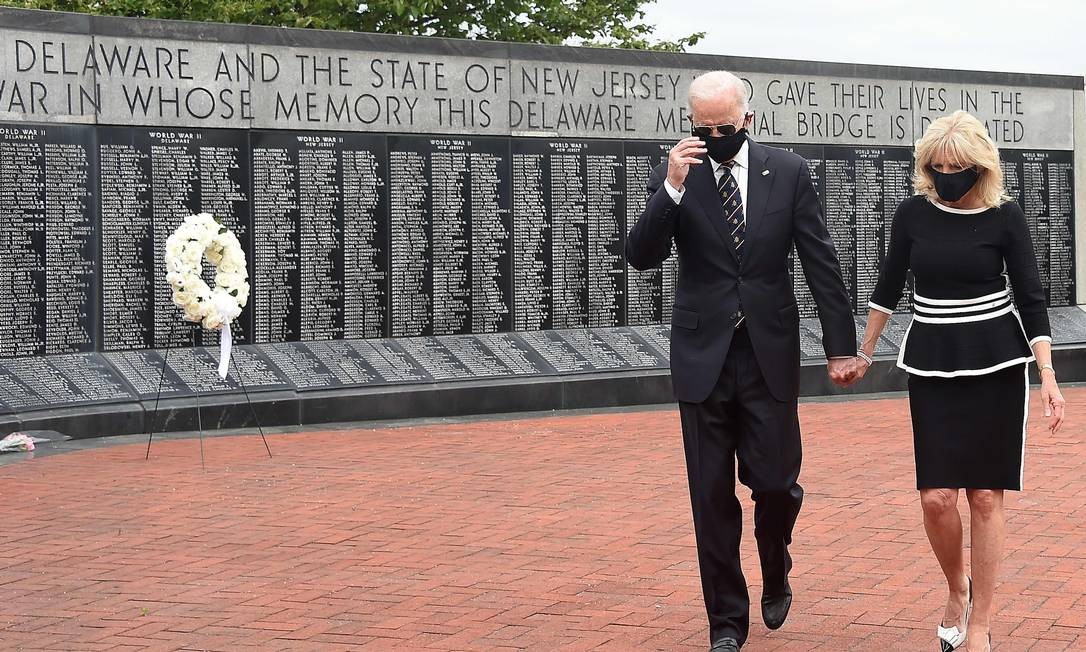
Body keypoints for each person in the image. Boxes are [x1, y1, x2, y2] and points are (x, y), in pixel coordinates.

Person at [625, 70, 860, 652]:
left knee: (776, 484)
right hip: (702, 357)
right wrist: (672, 188)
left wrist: (840, 347)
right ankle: (726, 623)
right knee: (710, 496)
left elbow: (819, 261)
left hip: (767, 353)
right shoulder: (677, 173)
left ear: (748, 119)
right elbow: (641, 256)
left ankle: (776, 563)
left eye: (723, 127)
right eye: (701, 127)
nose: (713, 136)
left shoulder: (788, 172)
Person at [849, 110, 1067, 652]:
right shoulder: (912, 215)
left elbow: (1032, 299)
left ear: (980, 167)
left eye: (957, 166)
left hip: (997, 365)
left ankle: (981, 623)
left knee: (986, 498)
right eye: (937, 166)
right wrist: (864, 349)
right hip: (931, 364)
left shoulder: (1005, 217)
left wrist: (1048, 375)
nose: (946, 175)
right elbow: (888, 286)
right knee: (937, 498)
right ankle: (956, 586)